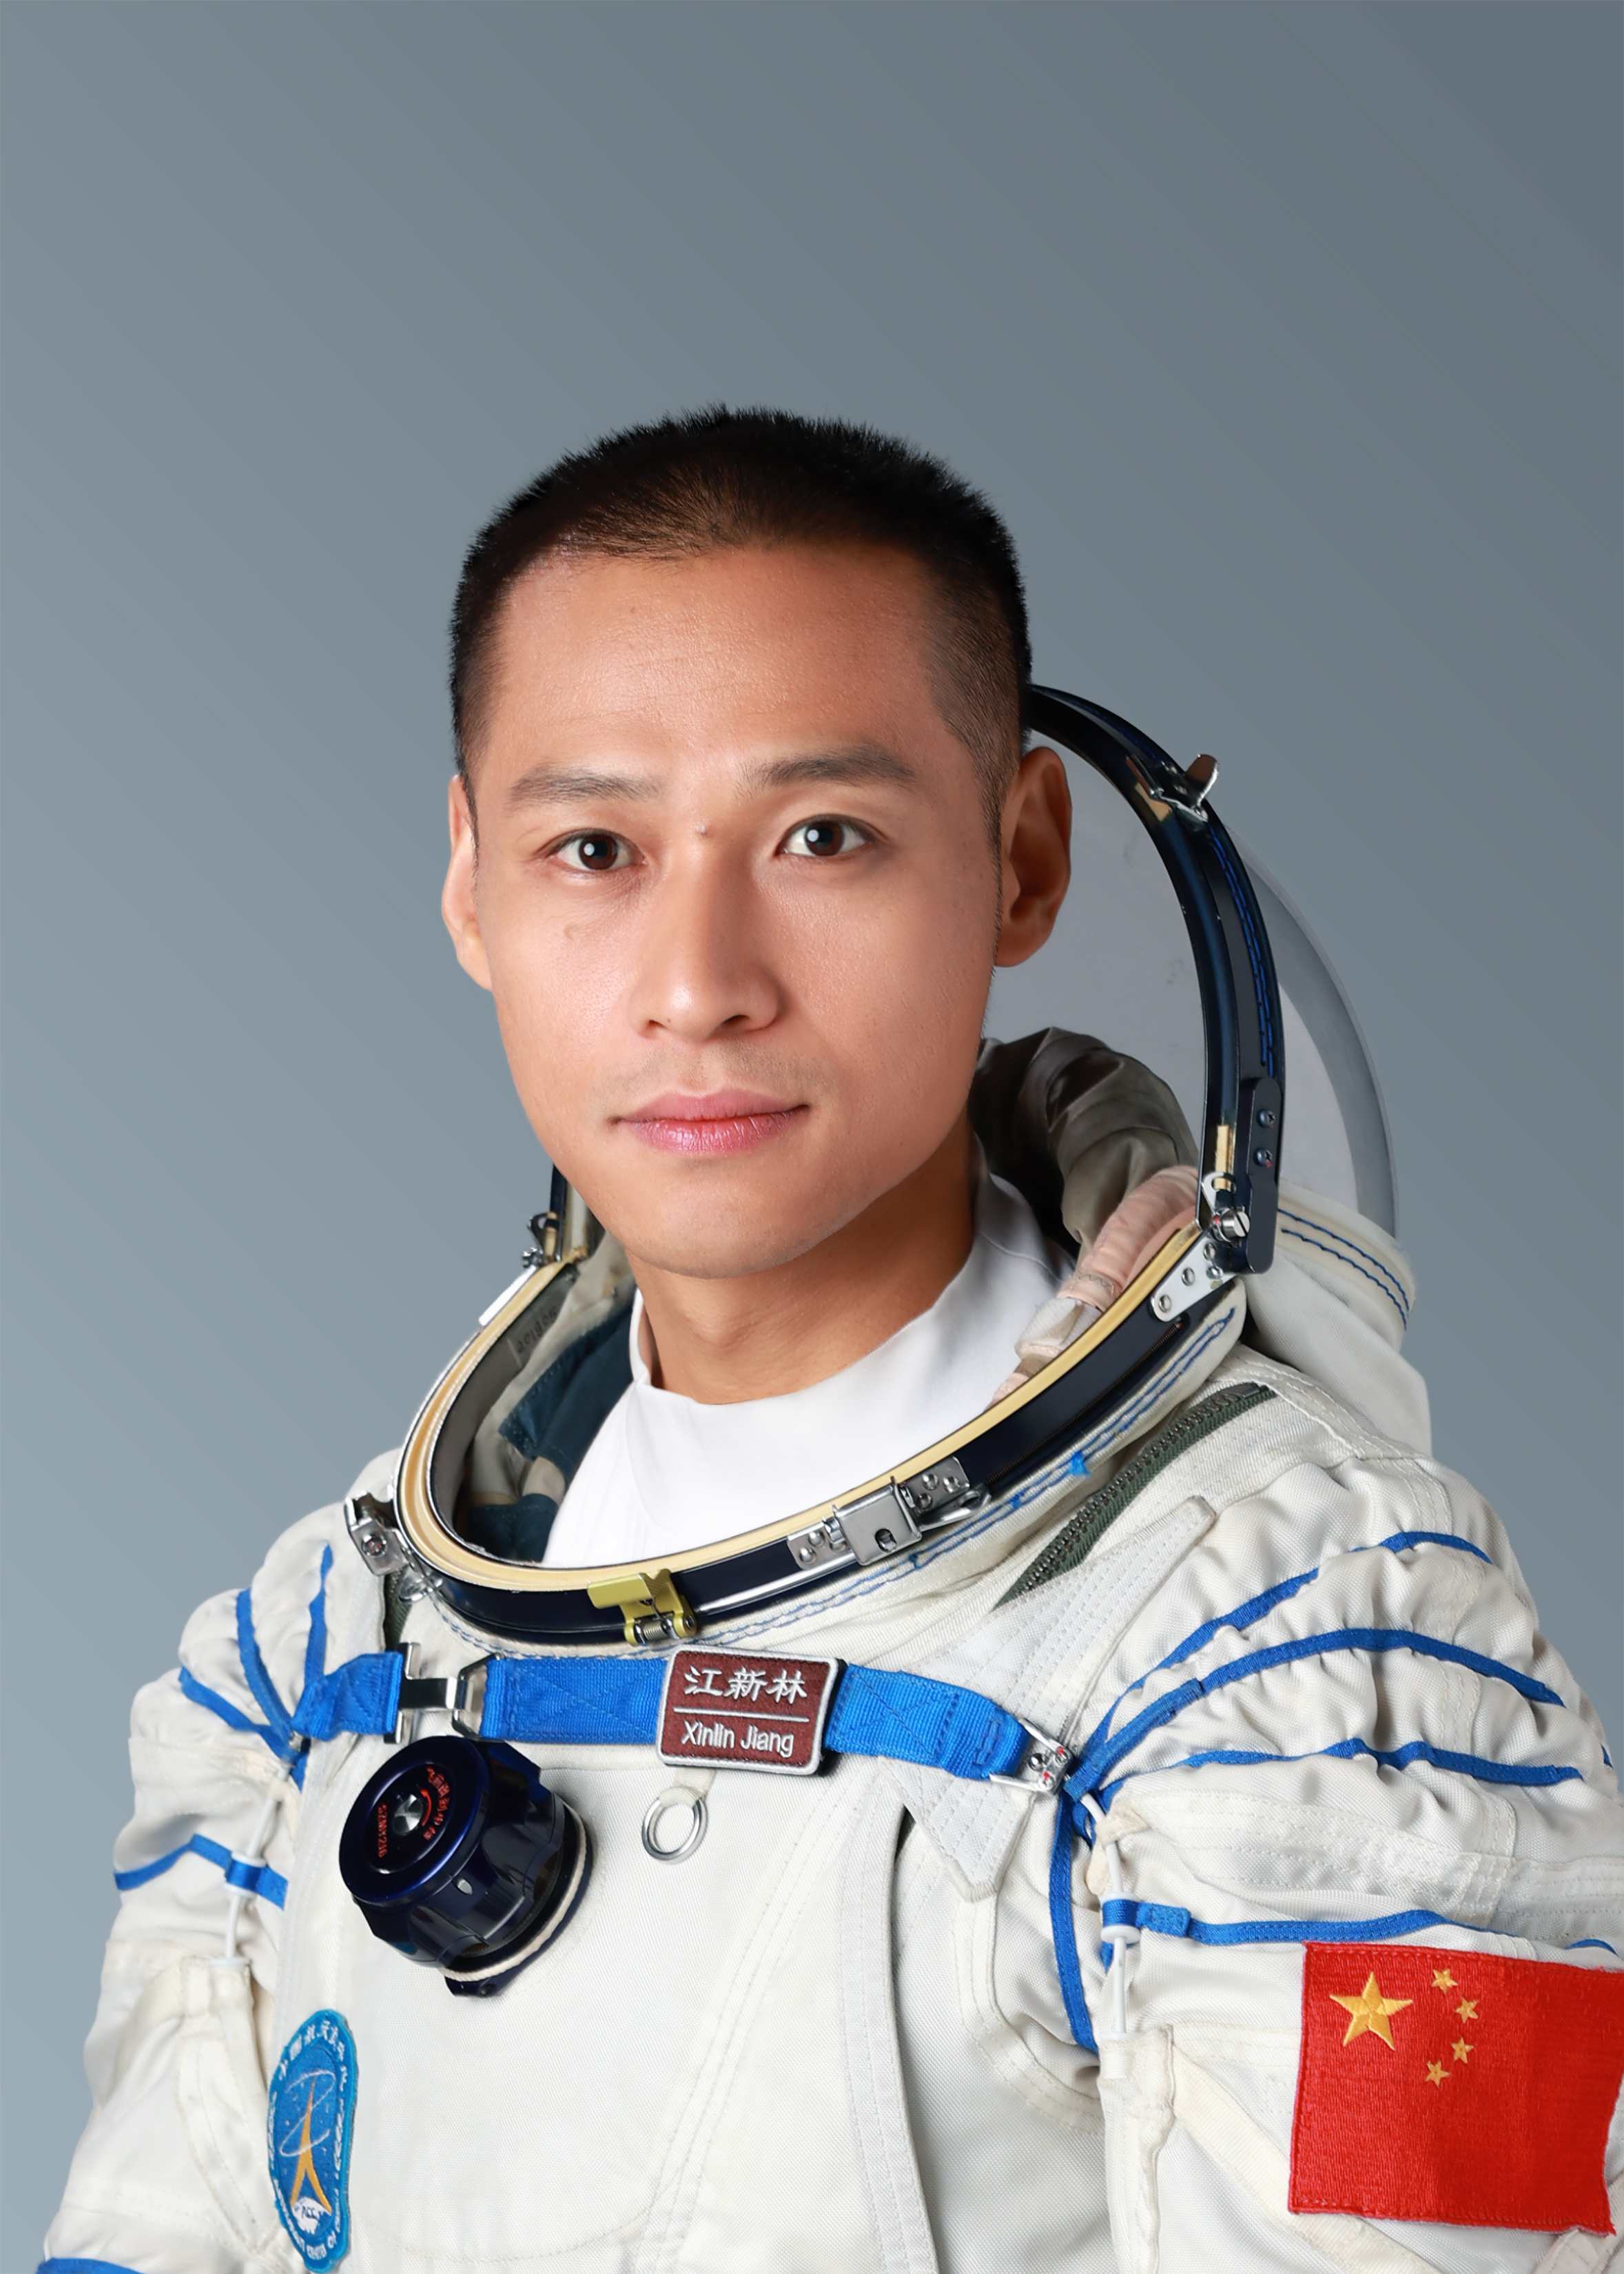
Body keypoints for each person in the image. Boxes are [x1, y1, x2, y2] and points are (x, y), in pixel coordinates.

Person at [42, 412, 1624, 2274]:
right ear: (472, 882)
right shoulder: (318, 1653)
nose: (700, 980)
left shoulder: (1302, 1640)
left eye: (823, 835)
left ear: (1022, 859)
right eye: (594, 846)